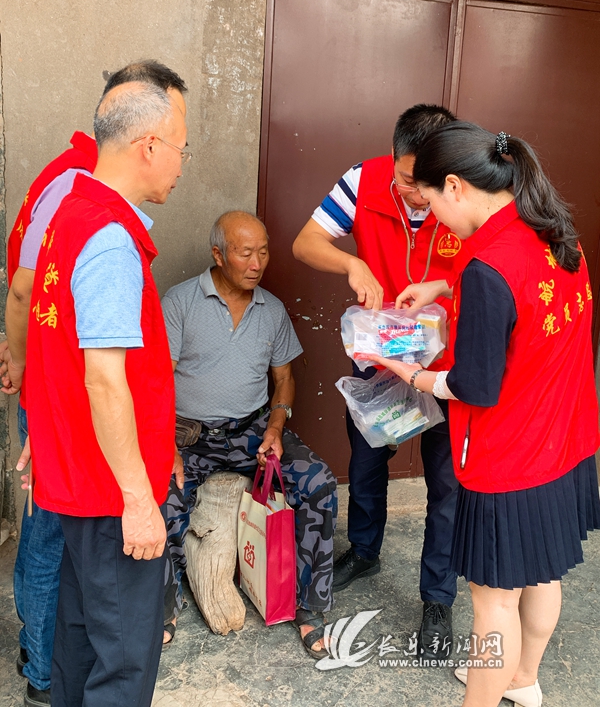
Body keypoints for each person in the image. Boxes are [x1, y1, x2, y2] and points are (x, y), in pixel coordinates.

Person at [374, 122, 600, 707]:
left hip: (510, 458)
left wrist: (411, 375)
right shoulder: (555, 233)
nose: (435, 220)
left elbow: (475, 384)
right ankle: (524, 680)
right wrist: (444, 290)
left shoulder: (488, 268)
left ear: (454, 186)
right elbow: (523, 309)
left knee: (493, 602)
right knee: (543, 573)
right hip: (566, 442)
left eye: (429, 202)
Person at [1, 61, 187, 707]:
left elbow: (52, 345)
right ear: (150, 146)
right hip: (110, 497)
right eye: (183, 147)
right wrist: (140, 498)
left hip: (73, 480)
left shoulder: (68, 213)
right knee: (123, 664)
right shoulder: (109, 239)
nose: (182, 164)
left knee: (77, 648)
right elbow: (104, 380)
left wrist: (44, 435)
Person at [292, 104, 459, 655]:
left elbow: (494, 271)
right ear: (393, 158)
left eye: (425, 185)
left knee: (446, 487)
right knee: (366, 464)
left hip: (445, 371)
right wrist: (349, 264)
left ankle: (438, 597)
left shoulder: (467, 193)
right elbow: (305, 242)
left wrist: (445, 289)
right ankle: (364, 552)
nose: (415, 194)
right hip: (381, 361)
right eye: (406, 179)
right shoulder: (362, 181)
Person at [162, 211, 338, 659]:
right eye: (245, 252)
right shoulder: (180, 303)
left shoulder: (272, 309)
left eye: (263, 251)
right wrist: (164, 444)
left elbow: (284, 380)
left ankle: (310, 607)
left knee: (318, 483)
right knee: (161, 497)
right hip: (188, 434)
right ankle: (163, 607)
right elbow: (156, 382)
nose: (257, 262)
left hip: (252, 430)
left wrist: (276, 429)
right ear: (218, 255)